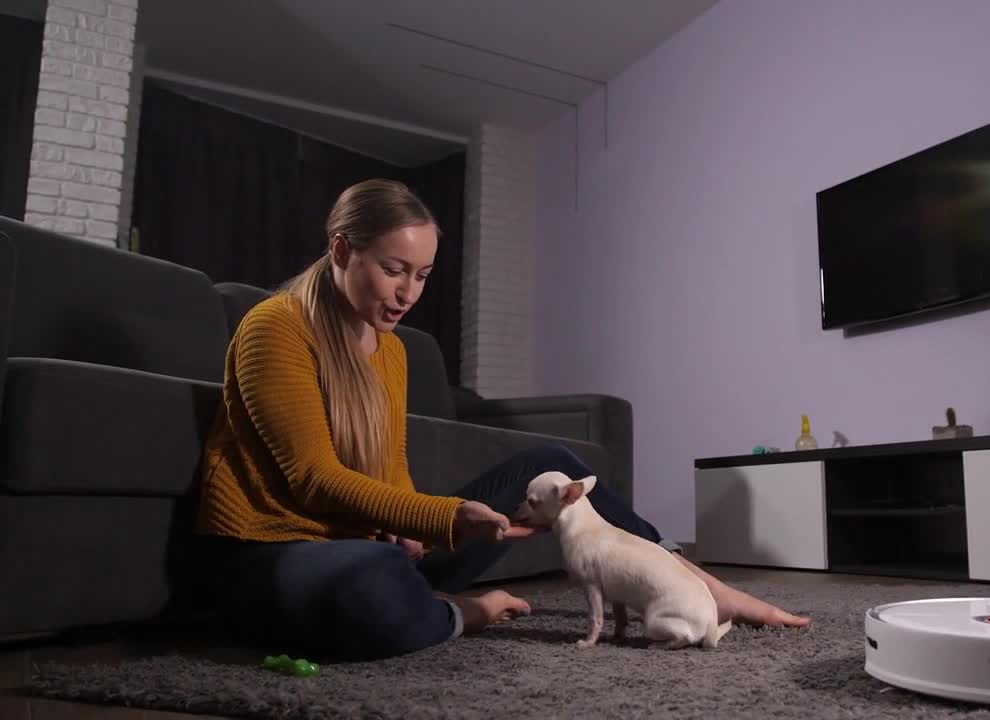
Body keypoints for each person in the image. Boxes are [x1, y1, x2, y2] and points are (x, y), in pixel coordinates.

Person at [192, 178, 809, 661]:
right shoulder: (274, 328)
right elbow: (313, 480)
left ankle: (697, 585)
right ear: (341, 251)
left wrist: (410, 528)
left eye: (423, 275)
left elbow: (391, 472)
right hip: (275, 551)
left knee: (553, 466)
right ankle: (463, 611)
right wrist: (442, 519)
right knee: (370, 581)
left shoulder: (393, 350)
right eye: (393, 269)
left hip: (365, 544)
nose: (408, 293)